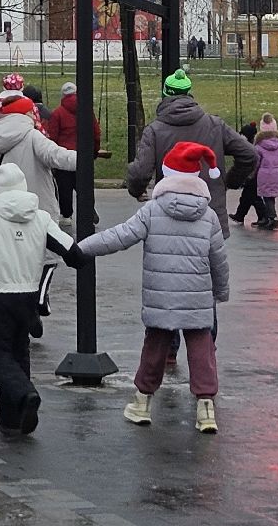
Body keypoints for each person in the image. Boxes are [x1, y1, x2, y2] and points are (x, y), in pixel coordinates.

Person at [80, 141, 229, 434]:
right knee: (202, 348)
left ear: (167, 175)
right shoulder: (208, 216)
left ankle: (142, 402)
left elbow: (120, 236)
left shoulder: (153, 210)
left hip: (161, 297)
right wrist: (220, 291)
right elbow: (219, 259)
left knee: (155, 346)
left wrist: (81, 249)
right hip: (198, 297)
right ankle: (206, 407)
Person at [0, 164, 79, 434]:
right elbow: (71, 250)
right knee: (19, 351)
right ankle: (11, 416)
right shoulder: (42, 218)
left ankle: (24, 393)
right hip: (29, 298)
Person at [126, 69, 255, 237]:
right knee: (211, 263)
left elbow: (140, 172)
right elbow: (249, 154)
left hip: (170, 217)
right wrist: (229, 182)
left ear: (165, 94)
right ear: (188, 93)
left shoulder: (155, 131)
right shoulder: (215, 125)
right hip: (210, 216)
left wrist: (136, 190)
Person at [0, 96, 75, 315]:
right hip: (37, 206)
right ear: (27, 114)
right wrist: (83, 158)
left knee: (17, 261)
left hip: (4, 213)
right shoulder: (32, 136)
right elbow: (55, 155)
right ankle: (40, 297)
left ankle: (26, 310)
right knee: (49, 255)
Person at [42, 81, 100, 224]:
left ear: (63, 95)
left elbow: (53, 137)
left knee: (64, 187)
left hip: (64, 157)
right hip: (83, 155)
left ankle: (66, 215)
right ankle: (89, 210)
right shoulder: (87, 111)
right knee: (84, 186)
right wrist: (94, 151)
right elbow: (96, 133)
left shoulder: (57, 113)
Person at [233, 114, 278, 229]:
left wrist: (251, 175)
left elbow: (256, 163)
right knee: (271, 197)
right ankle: (269, 218)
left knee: (267, 197)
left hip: (264, 175)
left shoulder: (259, 146)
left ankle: (272, 219)